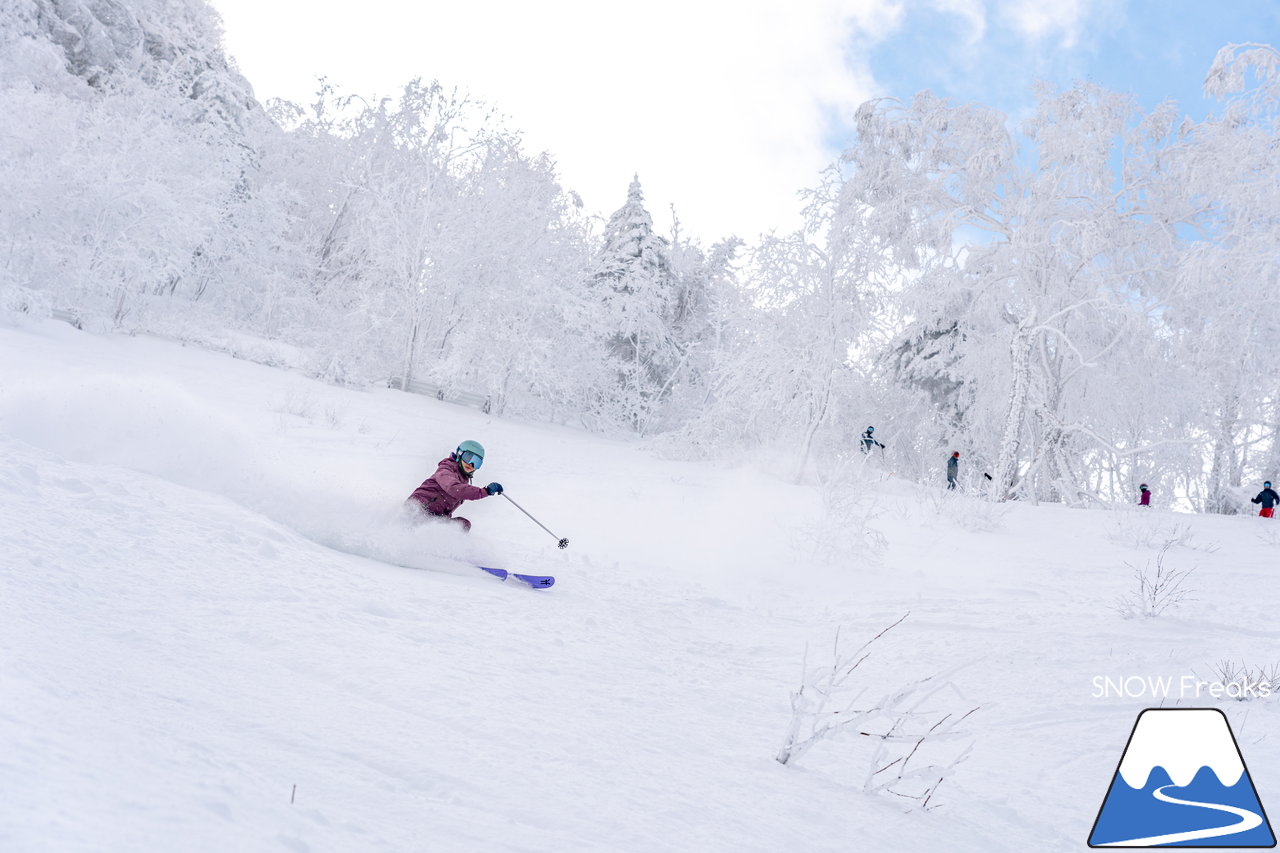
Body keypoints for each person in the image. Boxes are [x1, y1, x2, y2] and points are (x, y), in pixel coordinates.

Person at [406, 440, 503, 532]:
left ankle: (441, 547)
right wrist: (485, 491)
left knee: (462, 525)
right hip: (418, 510)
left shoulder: (462, 480)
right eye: (468, 458)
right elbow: (454, 488)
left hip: (433, 517)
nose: (471, 464)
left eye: (476, 463)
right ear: (459, 454)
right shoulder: (446, 469)